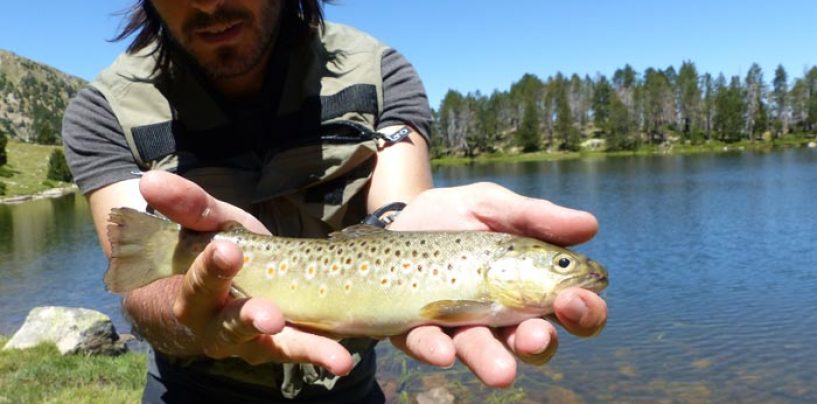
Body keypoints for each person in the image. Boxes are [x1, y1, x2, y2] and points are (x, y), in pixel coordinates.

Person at [62, 0, 608, 402]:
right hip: (191, 389)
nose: (208, 2)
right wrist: (189, 312)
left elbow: (399, 211)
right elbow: (139, 281)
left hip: (349, 382)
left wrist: (404, 224)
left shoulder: (380, 73)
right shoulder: (102, 111)